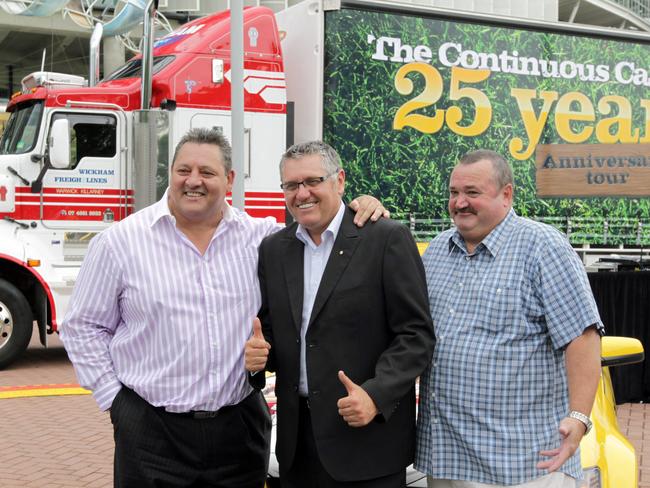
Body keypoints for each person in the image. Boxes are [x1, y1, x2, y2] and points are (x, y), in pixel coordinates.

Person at [60, 128, 386, 488]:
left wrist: (359, 204)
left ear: (229, 180)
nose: (193, 181)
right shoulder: (119, 242)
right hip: (151, 432)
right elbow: (83, 327)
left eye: (207, 173)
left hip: (239, 430)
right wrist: (115, 401)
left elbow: (321, 228)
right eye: (183, 170)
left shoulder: (262, 239)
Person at [245, 140, 435, 488]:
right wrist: (260, 354)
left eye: (312, 181)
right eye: (291, 185)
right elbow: (272, 329)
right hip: (296, 449)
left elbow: (416, 335)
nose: (302, 193)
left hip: (366, 444)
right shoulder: (274, 249)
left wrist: (376, 394)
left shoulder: (386, 238)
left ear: (340, 181)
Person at [415, 149, 603, 488]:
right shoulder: (438, 251)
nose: (460, 202)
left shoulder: (543, 247)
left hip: (522, 465)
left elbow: (583, 335)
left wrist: (578, 418)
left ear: (507, 194)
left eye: (472, 192)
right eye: (454, 193)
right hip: (447, 459)